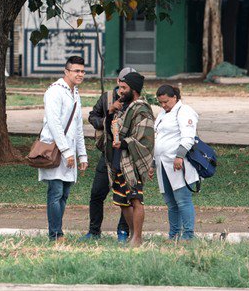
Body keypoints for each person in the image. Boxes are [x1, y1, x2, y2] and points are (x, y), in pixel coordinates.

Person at [37, 55, 89, 241]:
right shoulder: (55, 91)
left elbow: (78, 126)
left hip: (70, 151)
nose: (80, 74)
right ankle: (55, 234)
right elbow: (54, 123)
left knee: (64, 193)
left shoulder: (75, 92)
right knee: (56, 192)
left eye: (82, 71)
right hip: (55, 149)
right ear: (66, 71)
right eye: (76, 71)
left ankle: (58, 231)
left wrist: (82, 154)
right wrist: (67, 151)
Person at [83, 67, 137, 241]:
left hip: (128, 156)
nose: (124, 89)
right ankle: (94, 232)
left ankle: (123, 232)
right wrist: (109, 115)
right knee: (97, 194)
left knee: (127, 196)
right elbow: (93, 117)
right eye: (122, 84)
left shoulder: (137, 101)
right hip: (108, 154)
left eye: (128, 85)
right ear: (117, 81)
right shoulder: (107, 98)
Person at [108, 71, 154, 246]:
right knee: (122, 201)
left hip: (132, 161)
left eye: (124, 88)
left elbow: (145, 138)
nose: (120, 91)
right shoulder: (124, 107)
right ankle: (133, 234)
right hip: (119, 159)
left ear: (133, 89)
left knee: (135, 199)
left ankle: (138, 238)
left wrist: (124, 143)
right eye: (119, 87)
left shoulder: (142, 109)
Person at [153, 84, 198, 241]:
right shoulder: (163, 114)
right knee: (171, 203)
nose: (163, 105)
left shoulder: (184, 111)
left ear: (175, 97)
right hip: (163, 163)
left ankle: (188, 235)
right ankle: (174, 235)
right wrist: (153, 162)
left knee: (182, 200)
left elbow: (188, 137)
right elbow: (157, 137)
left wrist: (179, 156)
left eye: (166, 101)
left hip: (179, 163)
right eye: (160, 102)